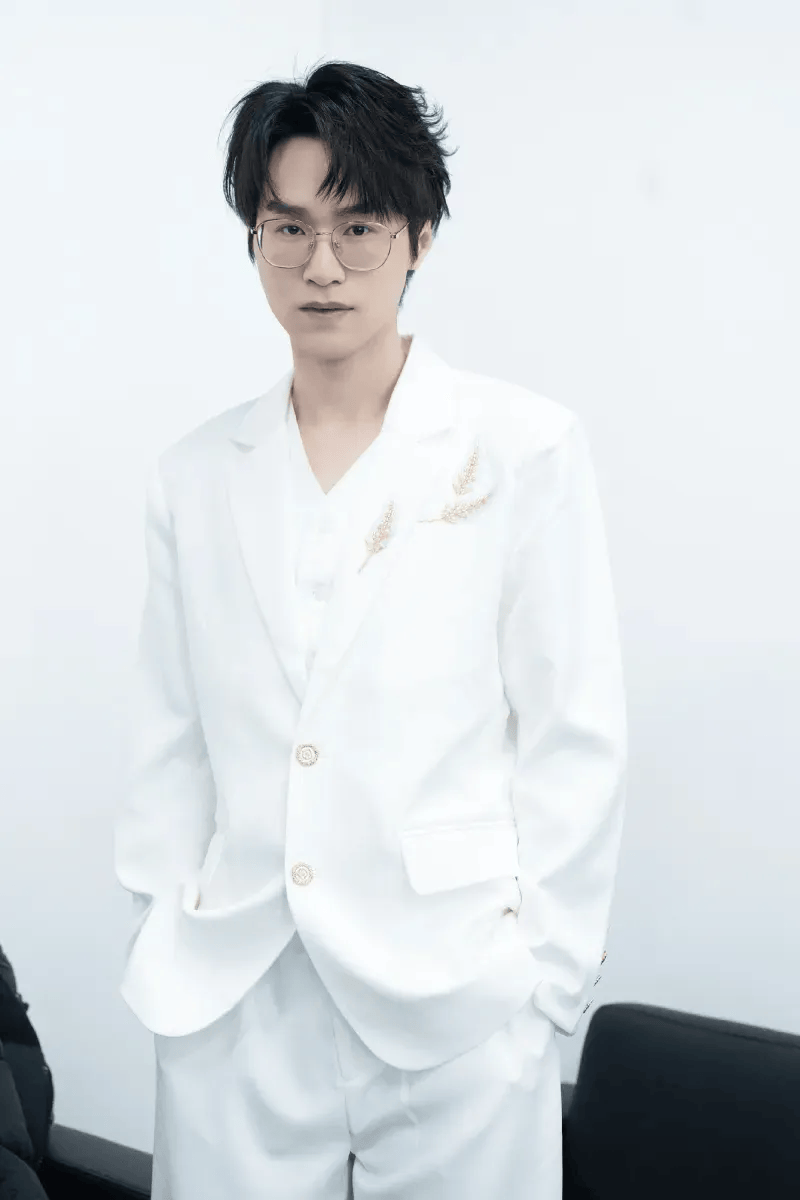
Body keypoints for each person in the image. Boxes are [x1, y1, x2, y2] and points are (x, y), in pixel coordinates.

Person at [113, 58, 627, 1200]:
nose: (322, 265)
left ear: (420, 236)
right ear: (253, 238)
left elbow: (573, 732)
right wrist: (158, 928)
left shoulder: (523, 449)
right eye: (287, 228)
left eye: (358, 226)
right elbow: (168, 737)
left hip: (454, 994)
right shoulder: (192, 476)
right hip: (238, 992)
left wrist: (542, 983)